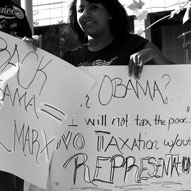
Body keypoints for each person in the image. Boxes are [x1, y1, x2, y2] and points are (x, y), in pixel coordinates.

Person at [62, 0, 173, 79]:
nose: (86, 14)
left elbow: (182, 78)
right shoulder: (69, 60)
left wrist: (154, 55)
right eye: (80, 10)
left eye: (93, 7)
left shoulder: (135, 45)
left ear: (110, 13)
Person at [0, 1, 33, 191]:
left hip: (16, 92)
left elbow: (28, 43)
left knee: (15, 162)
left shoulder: (18, 12)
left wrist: (30, 44)